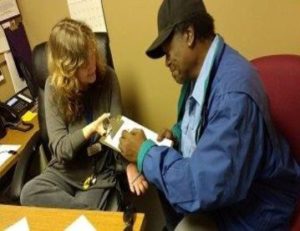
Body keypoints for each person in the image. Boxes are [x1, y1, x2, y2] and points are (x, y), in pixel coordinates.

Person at [118, 0, 300, 230]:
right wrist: (178, 134)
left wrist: (145, 152)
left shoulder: (233, 96)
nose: (166, 62)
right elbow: (203, 123)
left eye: (167, 51)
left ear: (189, 35)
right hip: (228, 196)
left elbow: (202, 187)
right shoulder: (203, 73)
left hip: (255, 212)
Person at [20, 18, 148, 210]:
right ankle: (89, 216)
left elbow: (117, 129)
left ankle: (86, 216)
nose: (93, 65)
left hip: (98, 172)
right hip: (66, 171)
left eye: (92, 55)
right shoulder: (53, 88)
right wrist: (92, 129)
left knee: (80, 216)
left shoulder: (108, 78)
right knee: (29, 192)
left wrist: (129, 165)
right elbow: (61, 149)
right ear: (68, 68)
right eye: (84, 63)